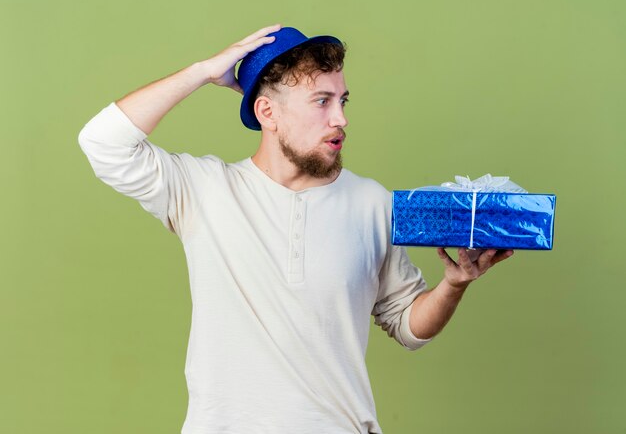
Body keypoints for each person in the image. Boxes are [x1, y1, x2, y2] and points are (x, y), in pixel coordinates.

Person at [78, 24, 513, 434]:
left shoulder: (373, 203)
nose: (340, 118)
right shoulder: (203, 190)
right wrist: (202, 72)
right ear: (267, 111)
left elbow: (407, 325)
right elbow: (102, 142)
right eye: (321, 101)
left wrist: (454, 284)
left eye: (343, 101)